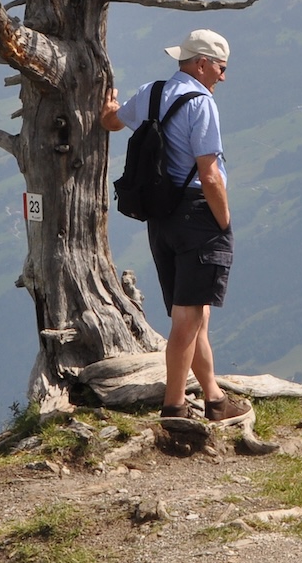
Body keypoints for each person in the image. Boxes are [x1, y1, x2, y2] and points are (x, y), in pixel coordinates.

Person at [101, 28, 253, 424]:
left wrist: (109, 108)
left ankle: (215, 400)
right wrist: (224, 221)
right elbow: (210, 174)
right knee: (188, 318)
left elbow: (112, 122)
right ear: (202, 64)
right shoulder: (201, 104)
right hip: (197, 216)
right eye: (221, 67)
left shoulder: (151, 91)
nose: (223, 76)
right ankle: (173, 408)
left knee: (193, 312)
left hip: (160, 218)